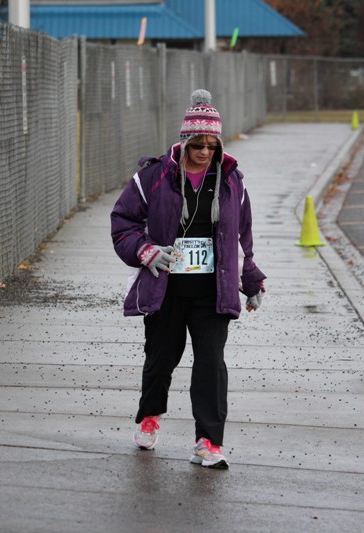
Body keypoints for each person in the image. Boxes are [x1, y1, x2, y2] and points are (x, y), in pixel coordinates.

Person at [110, 89, 266, 469]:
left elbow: (242, 238)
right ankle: (150, 415)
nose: (205, 152)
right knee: (161, 359)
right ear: (184, 142)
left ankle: (208, 442)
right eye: (198, 144)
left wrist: (252, 280)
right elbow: (123, 223)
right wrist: (146, 252)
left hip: (213, 291)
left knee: (211, 363)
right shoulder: (152, 177)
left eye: (212, 145)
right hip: (166, 289)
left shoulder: (232, 181)